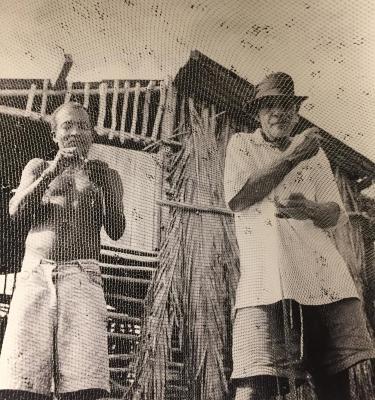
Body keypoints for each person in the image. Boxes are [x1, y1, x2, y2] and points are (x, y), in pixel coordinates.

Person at [224, 72, 375, 400]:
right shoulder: (242, 145)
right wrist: (292, 157)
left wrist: (308, 208)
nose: (279, 113)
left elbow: (334, 214)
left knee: (333, 381)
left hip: (319, 279)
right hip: (266, 283)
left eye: (286, 106)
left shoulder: (315, 153)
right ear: (257, 114)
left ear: (296, 112)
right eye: (270, 107)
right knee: (256, 380)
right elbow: (238, 197)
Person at [0, 102, 126, 400]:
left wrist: (104, 186)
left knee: (85, 386)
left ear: (92, 135)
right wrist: (54, 170)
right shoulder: (38, 167)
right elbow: (15, 211)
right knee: (23, 382)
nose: (75, 132)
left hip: (83, 277)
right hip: (37, 275)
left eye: (83, 126)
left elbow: (117, 230)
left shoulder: (105, 174)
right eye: (67, 126)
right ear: (55, 134)